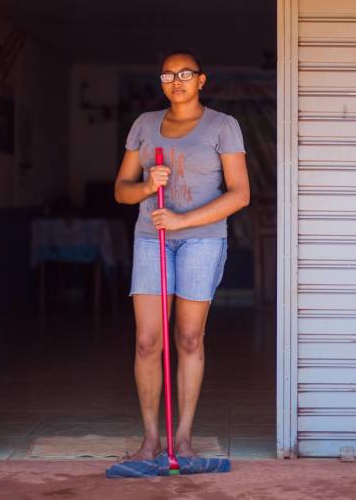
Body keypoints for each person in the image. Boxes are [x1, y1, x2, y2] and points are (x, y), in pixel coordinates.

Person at [114, 49, 250, 459]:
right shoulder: (144, 125)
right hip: (149, 237)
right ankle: (152, 439)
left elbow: (240, 195)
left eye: (186, 73)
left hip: (202, 240)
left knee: (189, 338)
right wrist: (145, 185)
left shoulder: (223, 127)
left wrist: (181, 222)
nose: (177, 80)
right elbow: (121, 190)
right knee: (146, 342)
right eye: (168, 74)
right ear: (161, 82)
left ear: (202, 80)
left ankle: (185, 437)